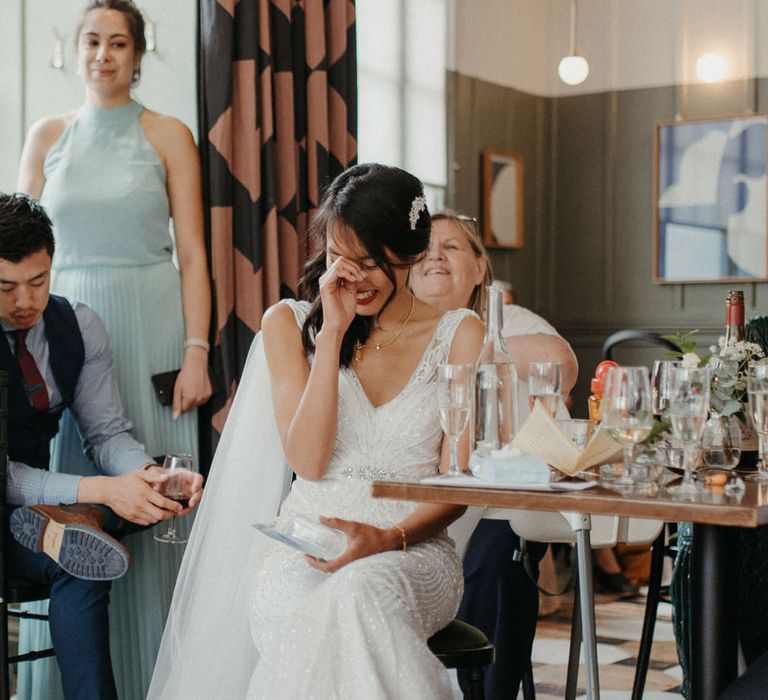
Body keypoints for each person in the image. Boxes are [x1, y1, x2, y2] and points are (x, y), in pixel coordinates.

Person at [147, 163, 485, 698]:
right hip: (303, 549)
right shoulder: (289, 324)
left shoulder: (459, 334)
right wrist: (331, 337)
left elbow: (457, 483)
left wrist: (385, 539)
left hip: (410, 551)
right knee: (320, 602)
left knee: (358, 591)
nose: (351, 277)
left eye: (370, 263)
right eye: (337, 258)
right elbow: (307, 461)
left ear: (412, 253)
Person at [15, 2, 211, 697]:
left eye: (118, 42)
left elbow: (191, 249)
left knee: (147, 479)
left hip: (148, 321)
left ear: (137, 53)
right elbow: (19, 239)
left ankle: (159, 672)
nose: (104, 53)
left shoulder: (167, 133)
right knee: (71, 489)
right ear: (75, 50)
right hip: (56, 329)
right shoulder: (48, 134)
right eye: (92, 40)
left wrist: (196, 351)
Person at [0, 192, 203, 700]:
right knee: (90, 531)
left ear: (52, 264)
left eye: (38, 281)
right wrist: (104, 492)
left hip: (34, 514)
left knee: (84, 559)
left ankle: (74, 523)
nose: (24, 301)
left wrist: (144, 477)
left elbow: (107, 434)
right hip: (9, 498)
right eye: (4, 287)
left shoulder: (79, 325)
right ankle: (77, 519)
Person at [410, 209, 579, 699]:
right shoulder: (389, 329)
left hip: (506, 497)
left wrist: (457, 337)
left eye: (452, 246)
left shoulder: (506, 317)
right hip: (425, 489)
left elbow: (560, 364)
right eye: (423, 249)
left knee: (498, 557)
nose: (435, 255)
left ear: (481, 266)